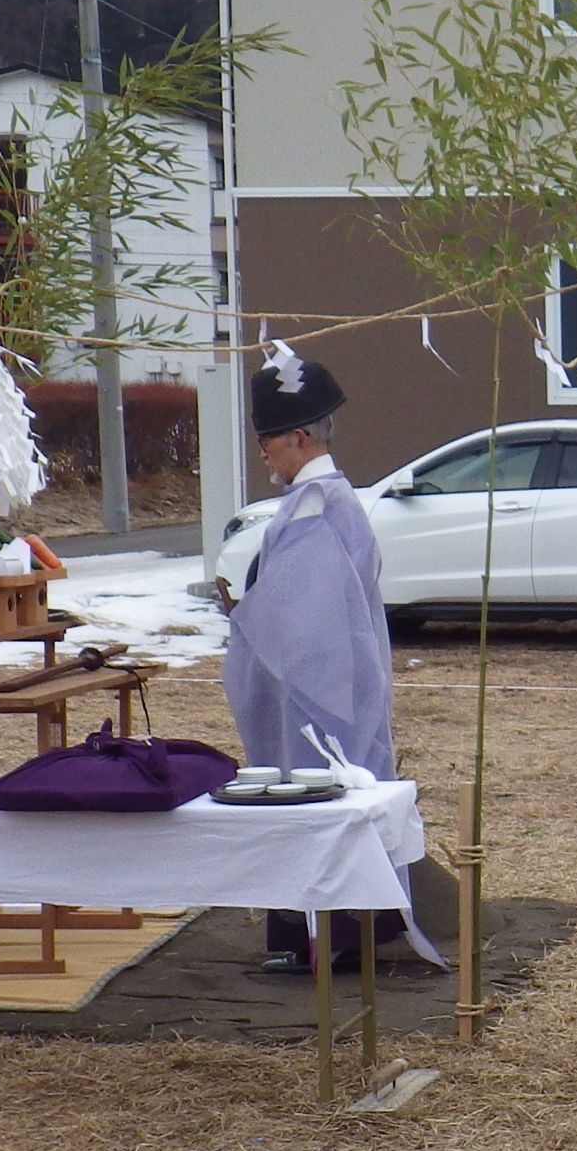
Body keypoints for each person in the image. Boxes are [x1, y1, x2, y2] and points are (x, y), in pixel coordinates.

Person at [221, 346, 404, 974]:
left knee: (314, 796)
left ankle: (326, 941)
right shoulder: (333, 500)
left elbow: (304, 611)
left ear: (299, 438)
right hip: (342, 673)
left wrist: (247, 613)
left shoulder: (314, 506)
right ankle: (338, 936)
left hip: (317, 682)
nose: (265, 456)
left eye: (269, 442)